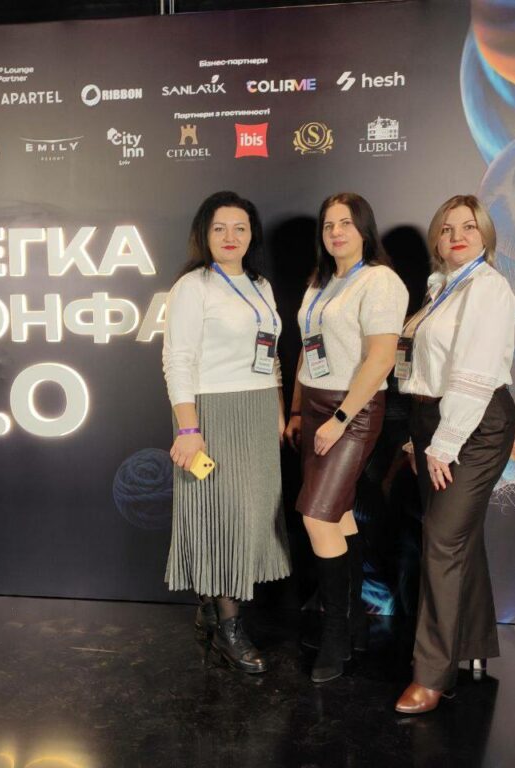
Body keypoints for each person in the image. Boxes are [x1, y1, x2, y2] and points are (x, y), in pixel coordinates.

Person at [394, 194, 515, 714]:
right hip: (433, 419)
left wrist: (443, 444)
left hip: (477, 423)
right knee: (458, 539)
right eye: (446, 229)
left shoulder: (488, 288)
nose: (457, 236)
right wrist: (417, 436)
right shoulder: (439, 289)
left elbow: (474, 373)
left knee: (442, 541)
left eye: (468, 226)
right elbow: (419, 364)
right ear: (437, 242)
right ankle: (472, 646)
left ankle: (432, 675)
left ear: (485, 235)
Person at [162, 190, 291, 674]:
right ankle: (229, 628)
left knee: (251, 517)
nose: (230, 237)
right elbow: (177, 360)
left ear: (252, 234)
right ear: (205, 233)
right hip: (210, 413)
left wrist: (277, 410)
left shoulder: (261, 285)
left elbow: (270, 355)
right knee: (222, 517)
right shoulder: (192, 286)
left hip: (257, 412)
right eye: (220, 228)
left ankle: (212, 610)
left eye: (240, 227)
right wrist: (188, 428)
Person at [285, 192, 408, 683]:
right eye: (328, 224)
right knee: (337, 516)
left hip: (352, 409)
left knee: (316, 517)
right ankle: (355, 624)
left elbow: (381, 358)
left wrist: (339, 417)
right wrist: (298, 408)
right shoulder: (321, 281)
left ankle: (335, 634)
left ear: (364, 230)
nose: (336, 232)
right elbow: (307, 348)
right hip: (316, 404)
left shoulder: (380, 281)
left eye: (346, 223)